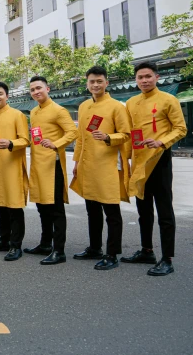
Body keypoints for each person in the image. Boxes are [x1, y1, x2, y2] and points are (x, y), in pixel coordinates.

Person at [122, 62, 187, 276]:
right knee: (143, 210)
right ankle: (146, 250)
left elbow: (180, 128)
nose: (144, 80)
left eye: (148, 76)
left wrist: (161, 142)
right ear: (136, 79)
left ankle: (167, 258)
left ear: (156, 77)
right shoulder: (131, 102)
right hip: (139, 160)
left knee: (164, 210)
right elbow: (129, 133)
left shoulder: (169, 100)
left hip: (159, 158)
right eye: (140, 77)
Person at [70, 66, 131, 270]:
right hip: (87, 166)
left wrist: (108, 137)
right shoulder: (83, 106)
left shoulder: (116, 106)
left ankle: (112, 254)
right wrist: (77, 163)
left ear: (106, 83)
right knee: (92, 210)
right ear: (87, 84)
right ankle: (94, 248)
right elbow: (80, 138)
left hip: (108, 166)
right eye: (92, 82)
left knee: (111, 211)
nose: (95, 85)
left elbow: (126, 134)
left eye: (99, 81)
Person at [25, 76, 77, 265]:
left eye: (39, 88)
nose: (36, 92)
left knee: (55, 209)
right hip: (37, 164)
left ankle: (59, 250)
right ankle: (45, 244)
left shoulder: (58, 110)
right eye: (32, 90)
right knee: (42, 206)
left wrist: (56, 144)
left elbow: (72, 132)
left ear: (48, 88)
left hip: (52, 164)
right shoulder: (34, 111)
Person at [0, 82, 30, 261]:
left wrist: (10, 143)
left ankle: (16, 245)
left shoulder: (17, 115)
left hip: (12, 167)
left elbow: (25, 140)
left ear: (7, 96)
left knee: (15, 207)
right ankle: (4, 240)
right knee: (2, 206)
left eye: (0, 93)